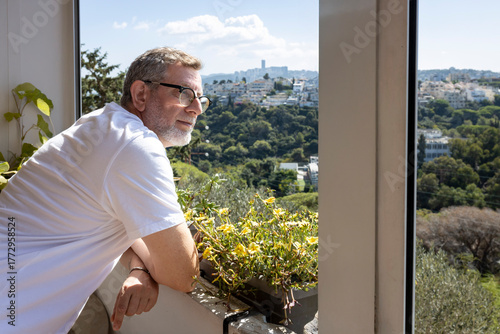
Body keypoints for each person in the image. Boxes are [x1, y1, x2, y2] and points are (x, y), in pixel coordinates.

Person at [0, 46, 211, 333]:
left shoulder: (99, 125)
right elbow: (184, 274)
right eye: (183, 93)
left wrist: (139, 266)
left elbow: (98, 221)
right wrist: (155, 263)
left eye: (201, 99)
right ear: (140, 94)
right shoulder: (135, 146)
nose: (196, 108)